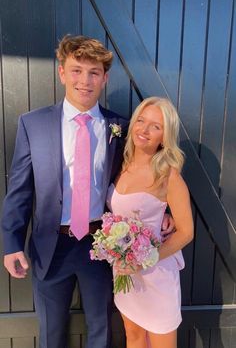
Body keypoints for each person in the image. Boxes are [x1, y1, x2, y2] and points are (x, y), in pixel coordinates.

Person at [1, 36, 174, 348]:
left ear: (104, 78)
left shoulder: (120, 128)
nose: (85, 80)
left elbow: (144, 175)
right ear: (62, 73)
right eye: (77, 70)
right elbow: (19, 191)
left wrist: (167, 212)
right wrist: (11, 243)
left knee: (102, 331)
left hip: (103, 247)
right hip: (49, 247)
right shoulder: (33, 124)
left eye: (94, 72)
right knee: (51, 334)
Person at [106, 96, 194, 348]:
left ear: (164, 137)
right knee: (133, 336)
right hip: (124, 272)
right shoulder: (120, 164)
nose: (144, 130)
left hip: (155, 275)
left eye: (155, 126)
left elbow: (186, 232)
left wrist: (145, 259)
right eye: (141, 121)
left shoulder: (169, 176)